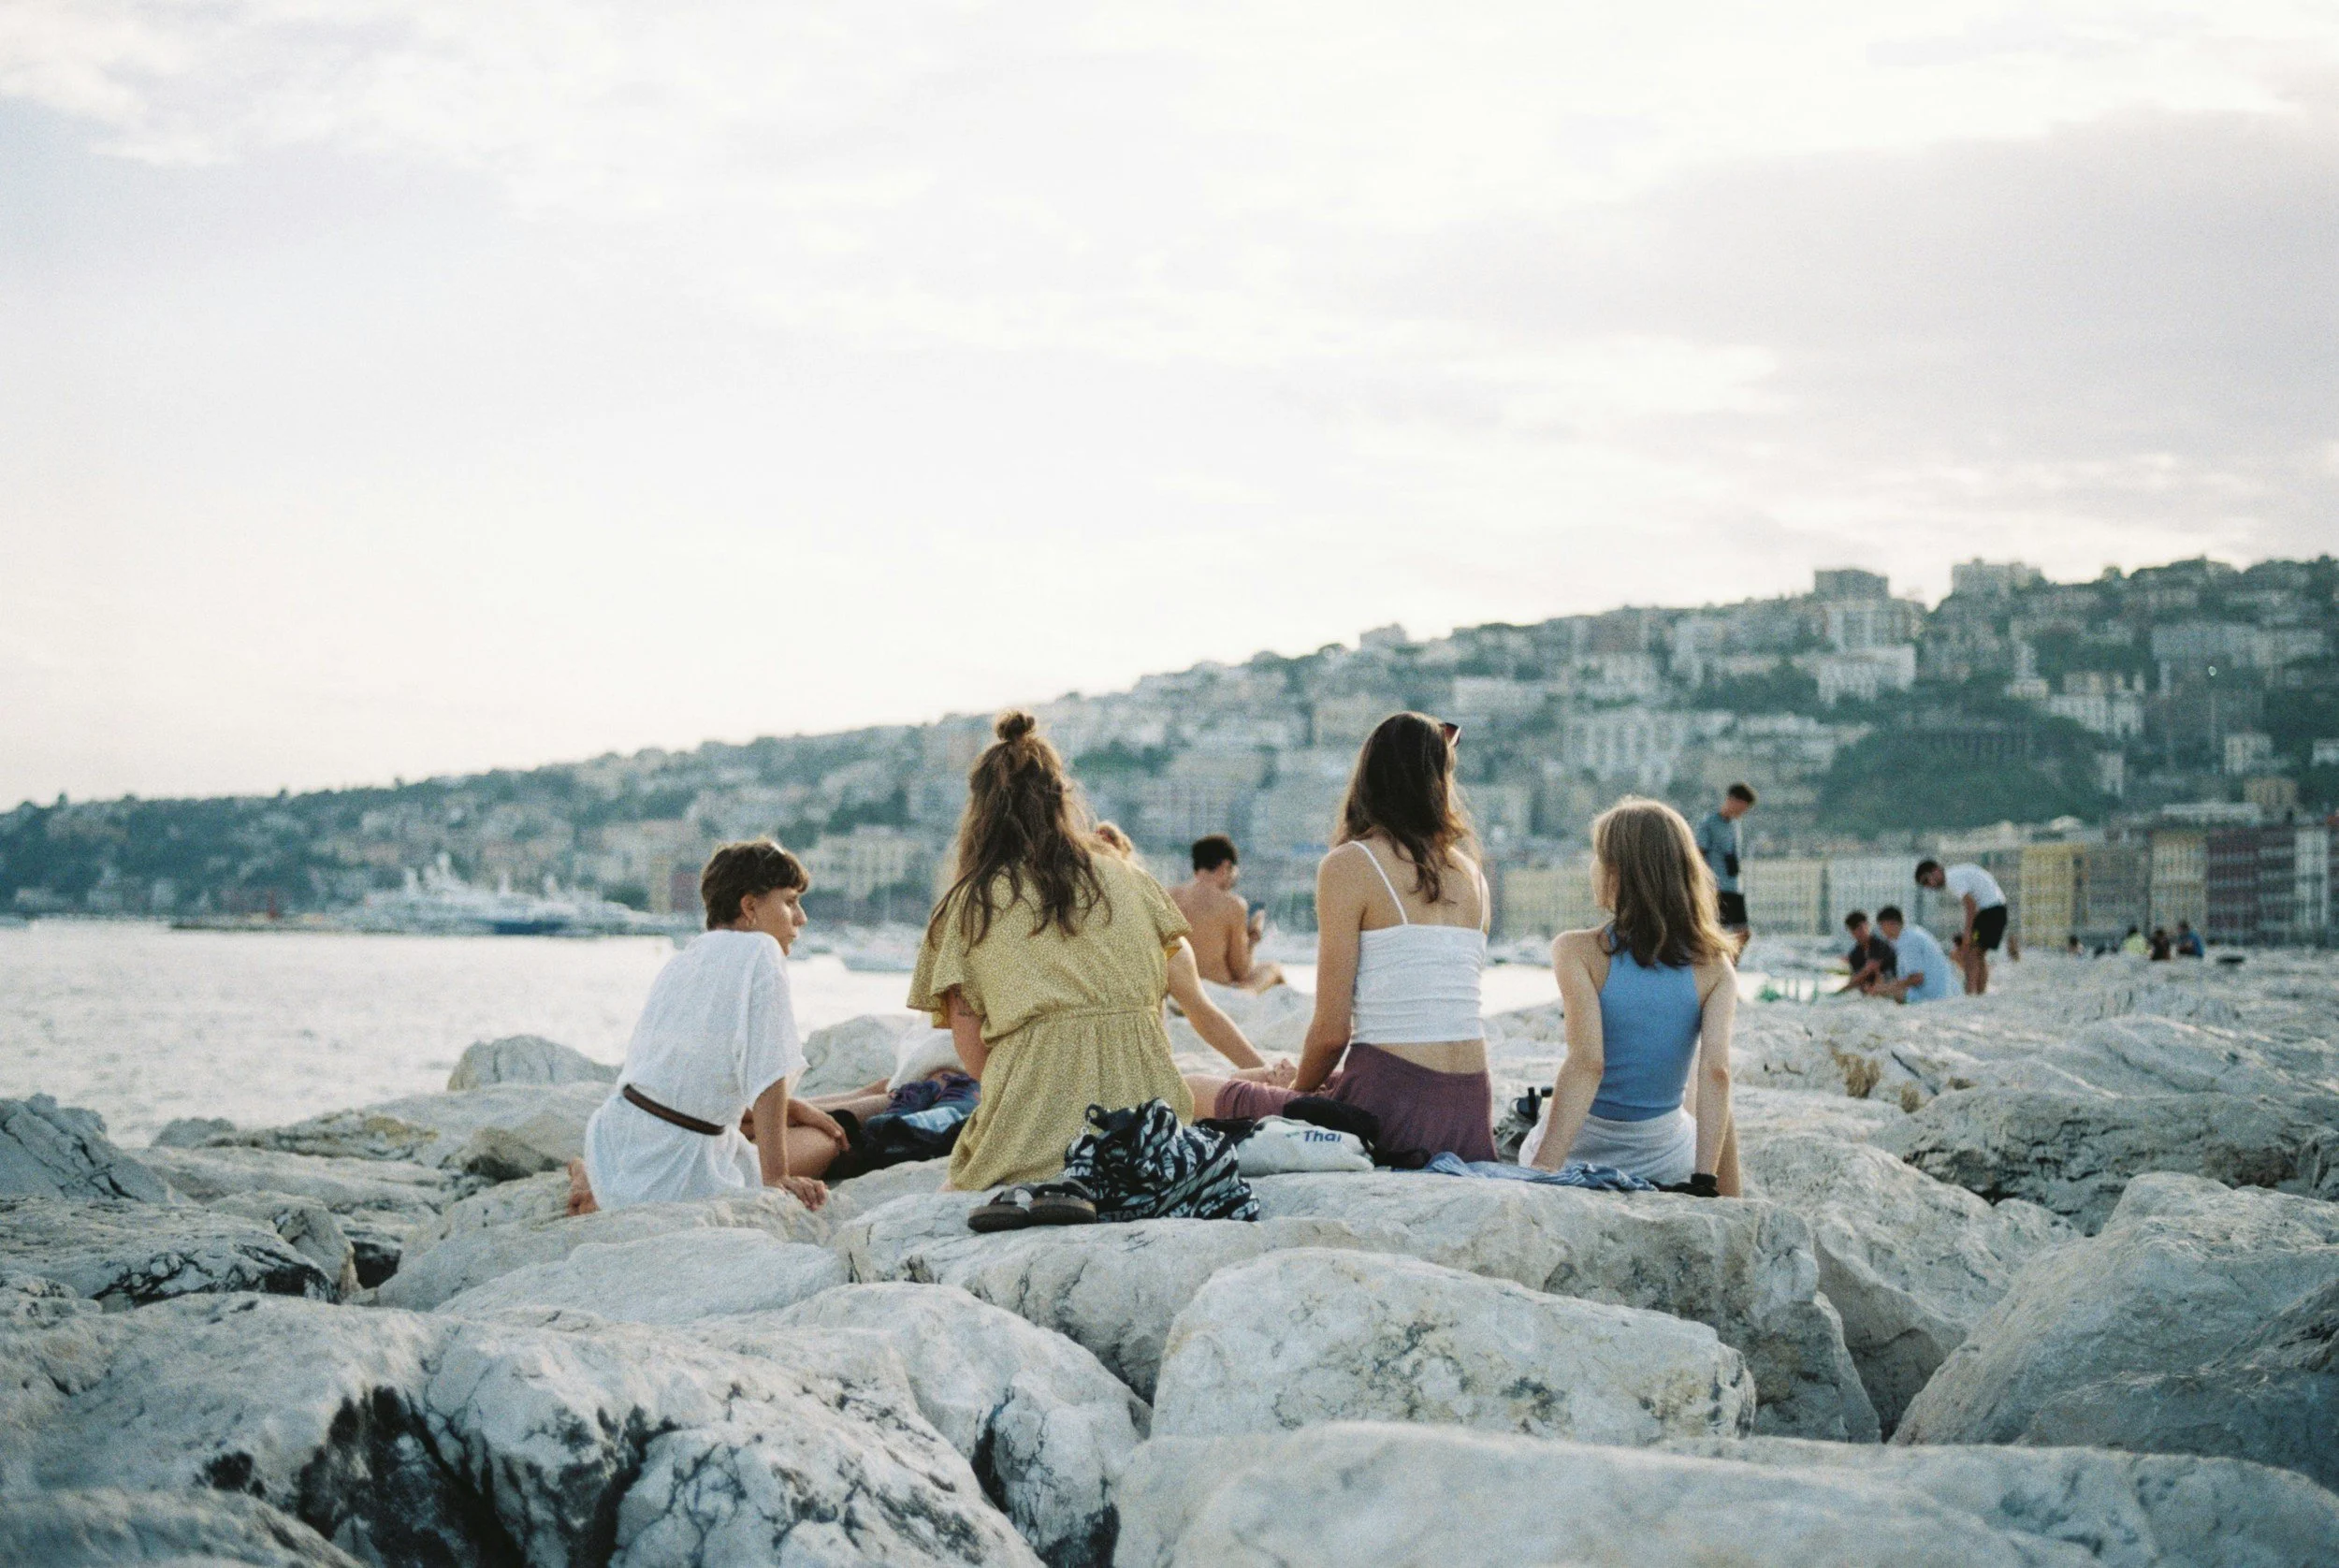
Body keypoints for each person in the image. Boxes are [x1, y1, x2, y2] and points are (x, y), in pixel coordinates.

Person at [908, 711, 1272, 1192]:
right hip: (1144, 1125)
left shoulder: (967, 907)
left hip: (1029, 1132)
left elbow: (975, 1056)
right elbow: (1162, 1011)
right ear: (1063, 801)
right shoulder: (1130, 878)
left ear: (980, 811)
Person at [1186, 713, 1500, 1164]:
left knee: (1194, 1088)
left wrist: (1300, 1092)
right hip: (1468, 1106)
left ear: (1368, 777)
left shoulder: (1353, 863)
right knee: (1259, 1074)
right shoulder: (1473, 874)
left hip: (1389, 1109)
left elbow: (1333, 1033)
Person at [574, 840, 840, 1216]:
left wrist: (797, 1109)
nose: (801, 918)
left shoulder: (686, 959)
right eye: (790, 901)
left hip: (616, 1140)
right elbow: (769, 1071)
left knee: (793, 1123)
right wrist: (777, 1177)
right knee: (824, 1143)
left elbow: (689, 1081)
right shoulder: (761, 952)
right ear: (750, 907)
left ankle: (596, 1182)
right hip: (673, 1169)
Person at [1518, 798, 1741, 1194]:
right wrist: (1703, 1179)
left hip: (1582, 1149)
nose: (1593, 868)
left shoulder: (1575, 950)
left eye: (1598, 858)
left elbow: (1588, 1064)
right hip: (1665, 1156)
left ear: (1619, 874)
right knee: (1715, 1102)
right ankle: (1730, 1208)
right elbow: (1717, 1073)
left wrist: (1544, 1171)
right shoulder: (1716, 965)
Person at [1170, 834, 1286, 993]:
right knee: (1273, 968)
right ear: (1226, 866)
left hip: (1176, 993)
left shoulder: (1166, 895)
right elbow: (1241, 972)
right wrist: (1252, 939)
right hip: (1213, 994)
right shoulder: (1233, 905)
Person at [1915, 858, 2009, 995]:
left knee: (1972, 954)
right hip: (1995, 909)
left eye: (1926, 880)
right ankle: (1980, 991)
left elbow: (1971, 906)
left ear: (1936, 871)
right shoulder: (1957, 874)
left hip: (1990, 911)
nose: (1929, 886)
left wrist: (1967, 933)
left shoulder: (1952, 879)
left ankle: (1971, 992)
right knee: (1978, 953)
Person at [1694, 783, 1757, 937]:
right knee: (1716, 933)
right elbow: (1698, 855)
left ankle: (1729, 962)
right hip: (1716, 887)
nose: (1743, 812)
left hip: (1734, 886)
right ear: (1732, 800)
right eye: (1742, 807)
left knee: (1743, 933)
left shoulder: (1735, 825)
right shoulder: (1708, 824)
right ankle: (1717, 961)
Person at [1875, 907, 1952, 1004]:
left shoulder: (1908, 941)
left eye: (1882, 926)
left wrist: (1885, 988)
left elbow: (1917, 978)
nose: (1882, 931)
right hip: (1942, 991)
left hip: (1931, 996)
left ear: (1891, 923)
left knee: (1886, 991)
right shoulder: (1913, 933)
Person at [1838, 909, 1897, 995]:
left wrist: (1843, 990)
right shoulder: (1854, 954)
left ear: (1867, 925)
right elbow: (1857, 976)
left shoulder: (1880, 945)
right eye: (1854, 929)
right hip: (1869, 990)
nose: (1858, 932)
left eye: (1860, 927)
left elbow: (1870, 969)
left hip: (1890, 986)